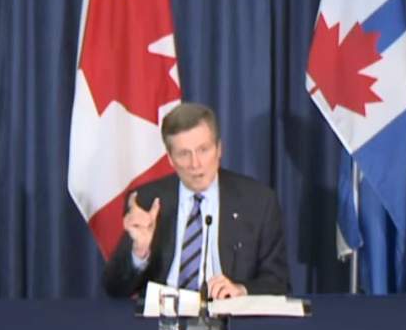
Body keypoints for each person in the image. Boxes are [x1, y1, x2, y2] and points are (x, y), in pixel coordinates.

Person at [103, 102, 290, 299]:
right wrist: (139, 252)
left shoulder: (258, 201)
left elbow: (279, 283)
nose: (195, 164)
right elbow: (113, 289)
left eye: (203, 150)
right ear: (170, 159)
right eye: (184, 154)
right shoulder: (147, 201)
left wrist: (241, 290)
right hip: (164, 319)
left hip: (229, 316)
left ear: (219, 149)